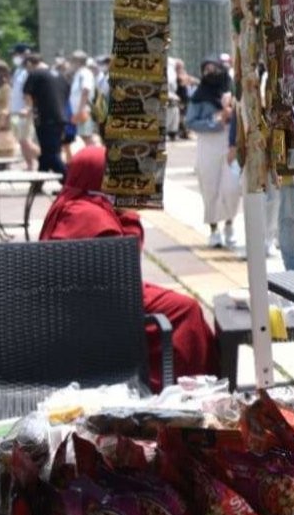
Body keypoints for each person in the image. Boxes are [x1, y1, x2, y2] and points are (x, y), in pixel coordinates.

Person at [39, 145, 219, 391]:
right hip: (104, 314)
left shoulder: (69, 203)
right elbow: (125, 264)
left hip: (76, 308)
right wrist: (130, 215)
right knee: (186, 310)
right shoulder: (91, 215)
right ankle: (187, 387)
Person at [185, 58, 238, 248]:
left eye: (213, 69)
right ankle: (214, 230)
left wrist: (231, 114)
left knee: (232, 188)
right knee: (210, 189)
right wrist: (215, 122)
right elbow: (190, 122)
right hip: (208, 145)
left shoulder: (232, 91)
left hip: (230, 144)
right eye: (206, 69)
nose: (210, 73)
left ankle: (230, 225)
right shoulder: (199, 96)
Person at [21, 54, 67, 176]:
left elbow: (27, 94)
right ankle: (39, 183)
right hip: (61, 118)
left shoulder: (35, 74)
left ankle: (69, 181)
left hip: (45, 119)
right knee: (47, 153)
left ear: (30, 64)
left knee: (51, 155)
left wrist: (28, 109)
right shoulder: (60, 75)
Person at [8, 44, 36, 169]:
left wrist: (28, 108)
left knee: (26, 140)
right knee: (21, 140)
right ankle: (29, 165)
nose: (14, 57)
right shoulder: (18, 71)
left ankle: (48, 156)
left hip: (24, 111)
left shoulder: (27, 72)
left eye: (16, 54)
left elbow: (30, 93)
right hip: (15, 110)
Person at [66, 50, 97, 150]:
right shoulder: (78, 74)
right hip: (78, 111)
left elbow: (85, 91)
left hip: (84, 111)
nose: (70, 63)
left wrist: (80, 110)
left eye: (72, 60)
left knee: (86, 136)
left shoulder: (85, 73)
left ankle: (96, 160)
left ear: (78, 61)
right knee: (83, 137)